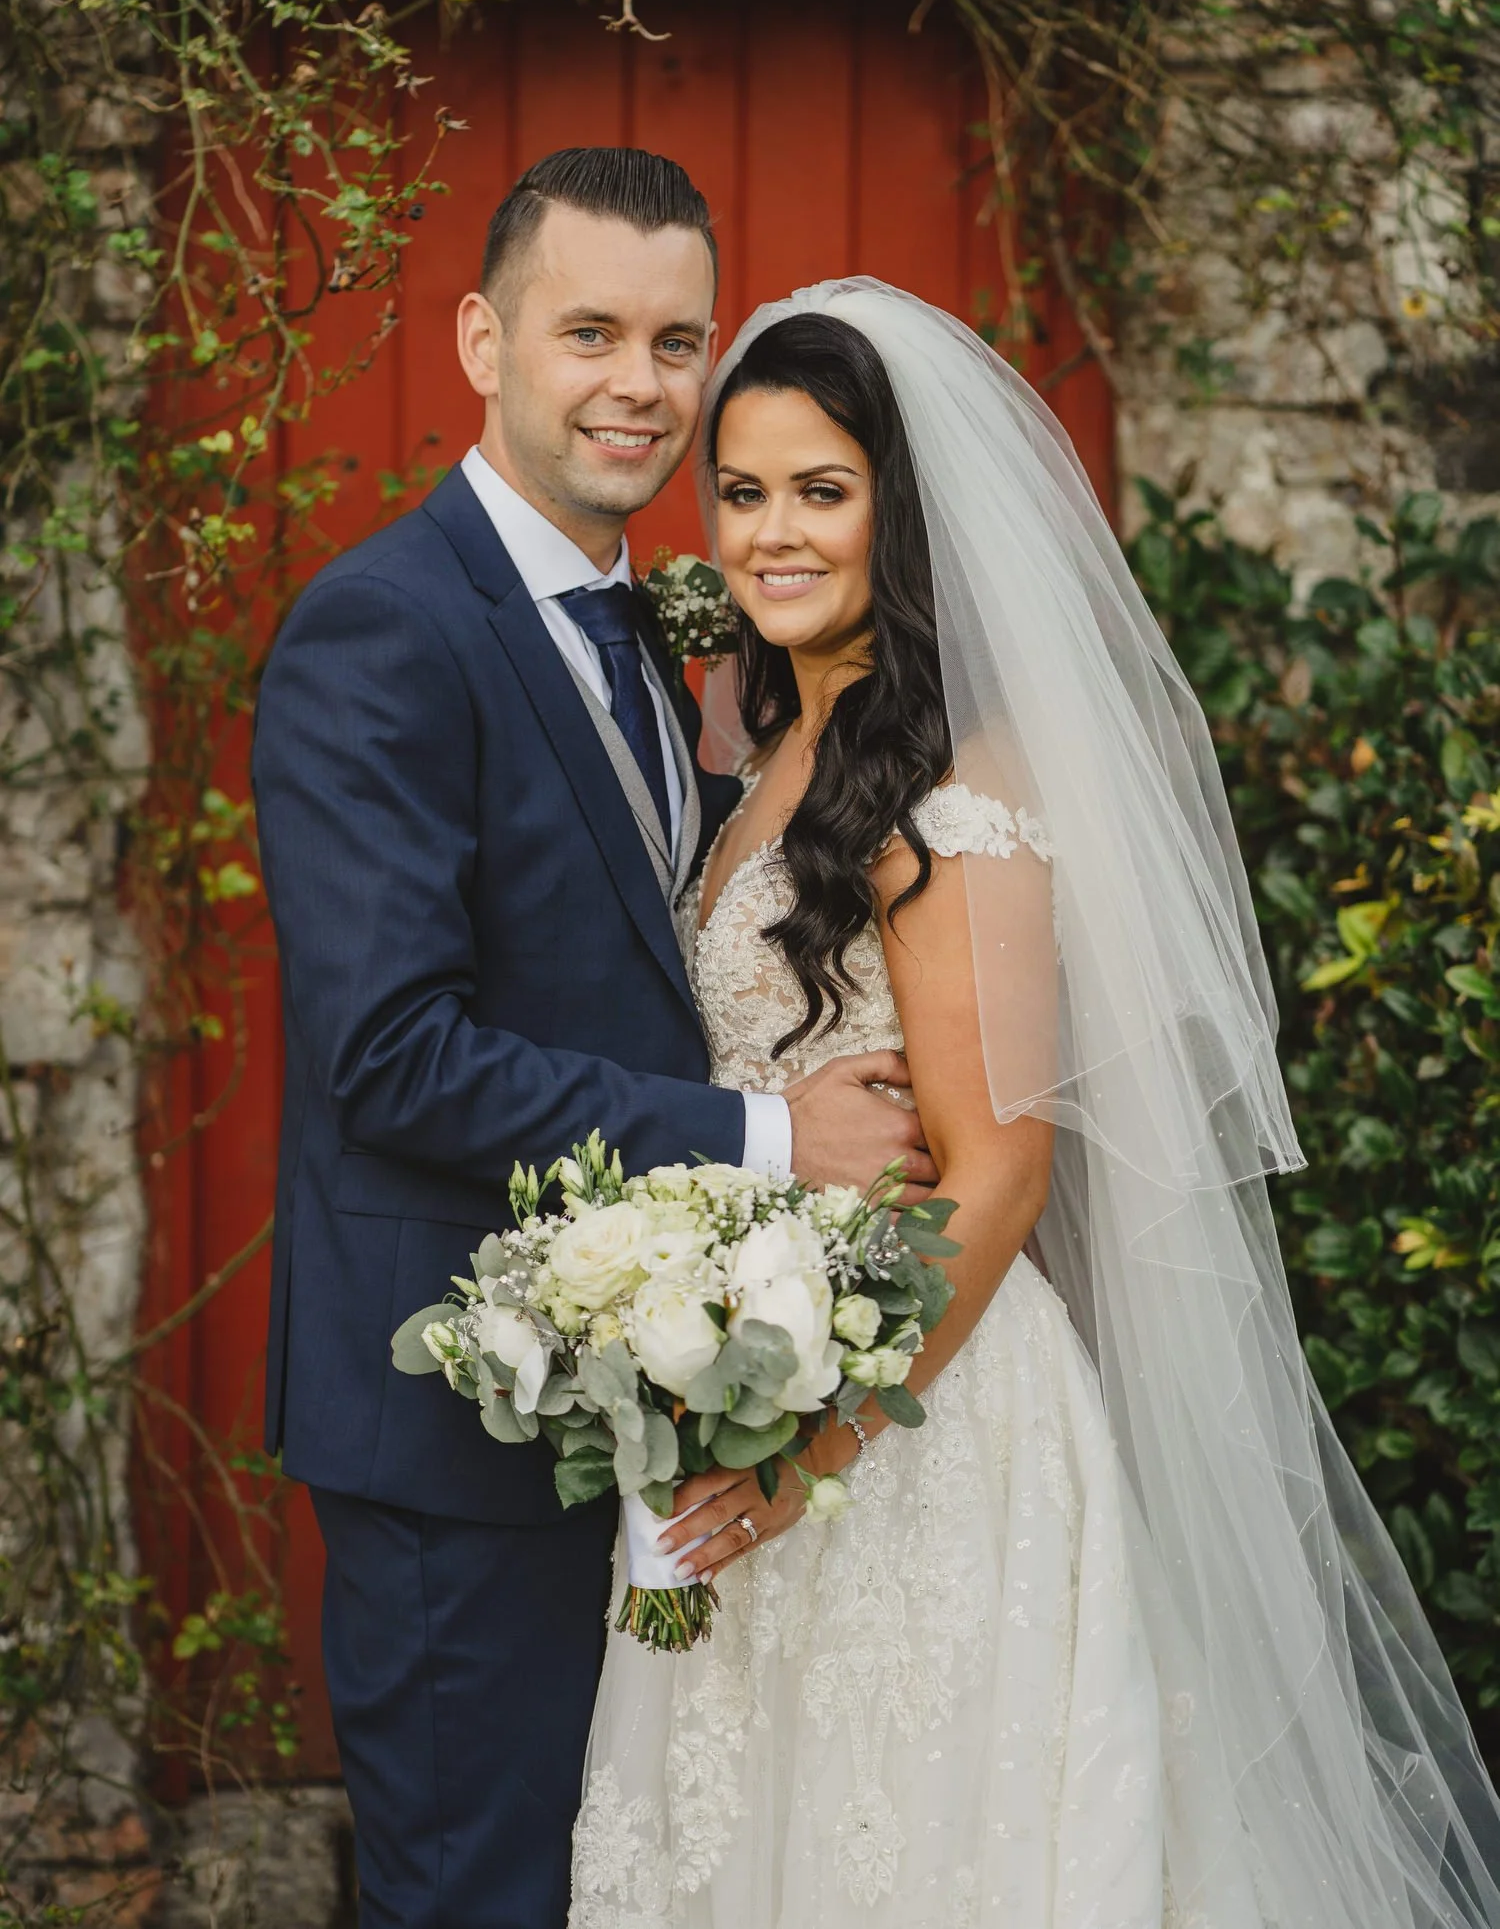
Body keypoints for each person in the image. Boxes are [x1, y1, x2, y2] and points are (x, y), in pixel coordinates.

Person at [570, 282, 1500, 1929]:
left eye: (823, 491)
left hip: (912, 1428)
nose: (774, 533)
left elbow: (998, 1171)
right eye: (745, 490)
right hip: (756, 1385)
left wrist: (815, 1450)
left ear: (900, 516)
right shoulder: (776, 746)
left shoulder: (952, 791)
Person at [250, 158, 932, 1929]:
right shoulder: (380, 630)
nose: (640, 380)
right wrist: (773, 1140)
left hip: (647, 1411)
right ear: (483, 339)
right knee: (478, 1895)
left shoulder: (668, 629)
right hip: (456, 1430)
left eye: (677, 337)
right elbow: (394, 1053)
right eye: (590, 332)